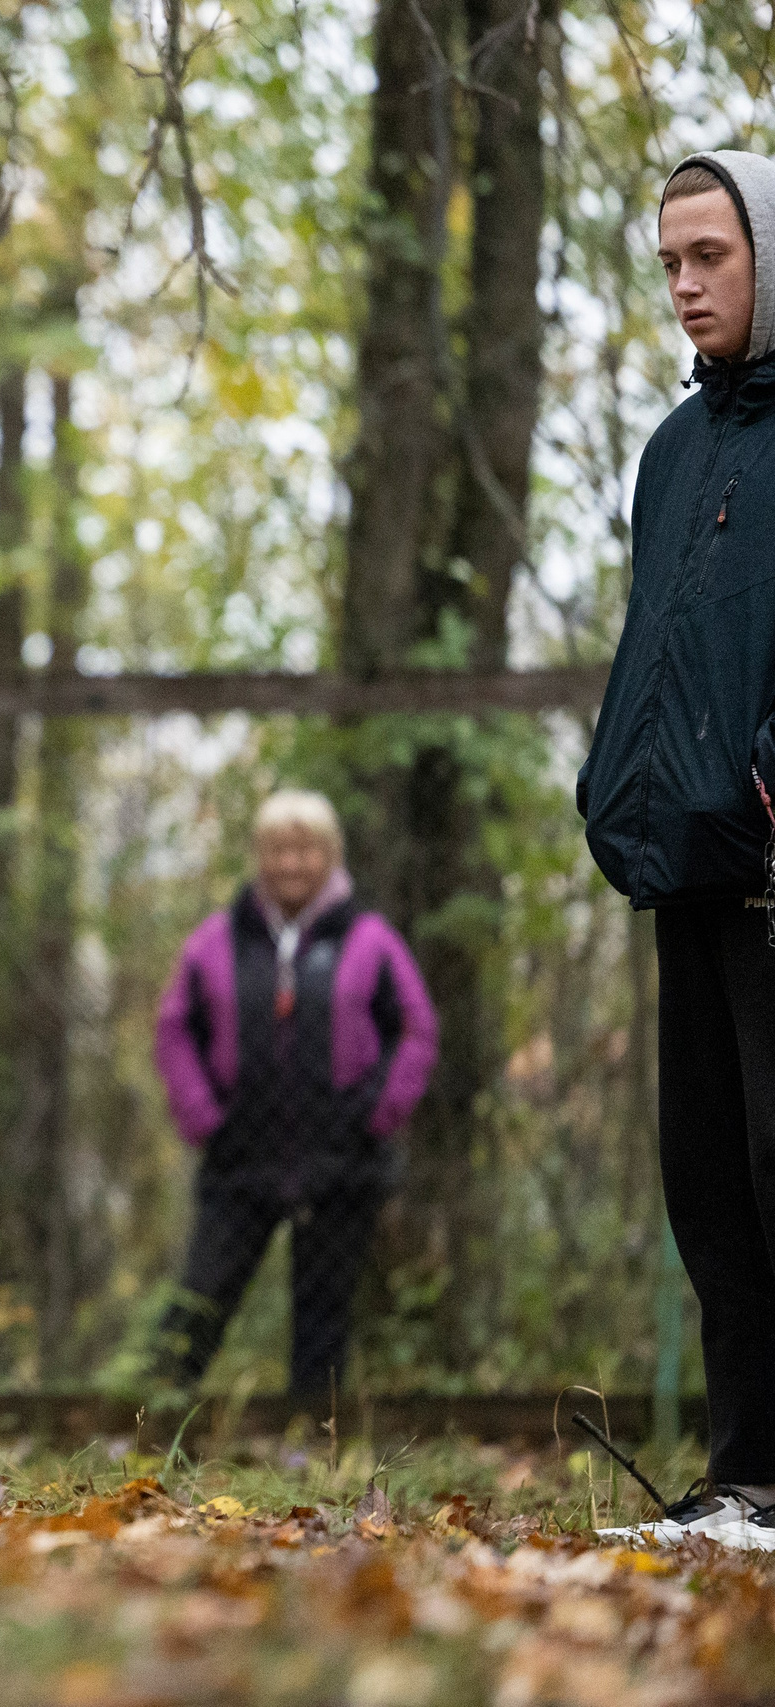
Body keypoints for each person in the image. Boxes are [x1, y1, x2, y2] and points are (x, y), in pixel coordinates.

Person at [583, 150, 775, 1548]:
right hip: (683, 857)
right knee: (705, 1176)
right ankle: (750, 1478)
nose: (687, 285)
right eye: (669, 263)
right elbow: (654, 639)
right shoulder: (673, 444)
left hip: (774, 859)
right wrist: (618, 790)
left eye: (712, 254)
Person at [150, 790, 437, 1408]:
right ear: (259, 857)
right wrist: (204, 1118)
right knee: (199, 1301)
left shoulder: (371, 940)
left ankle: (309, 1447)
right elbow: (175, 1030)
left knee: (323, 1316)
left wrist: (377, 1114)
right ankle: (147, 1429)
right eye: (278, 849)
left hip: (340, 1159)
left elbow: (415, 1030)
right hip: (240, 1155)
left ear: (330, 856)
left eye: (306, 850)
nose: (291, 864)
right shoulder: (214, 942)